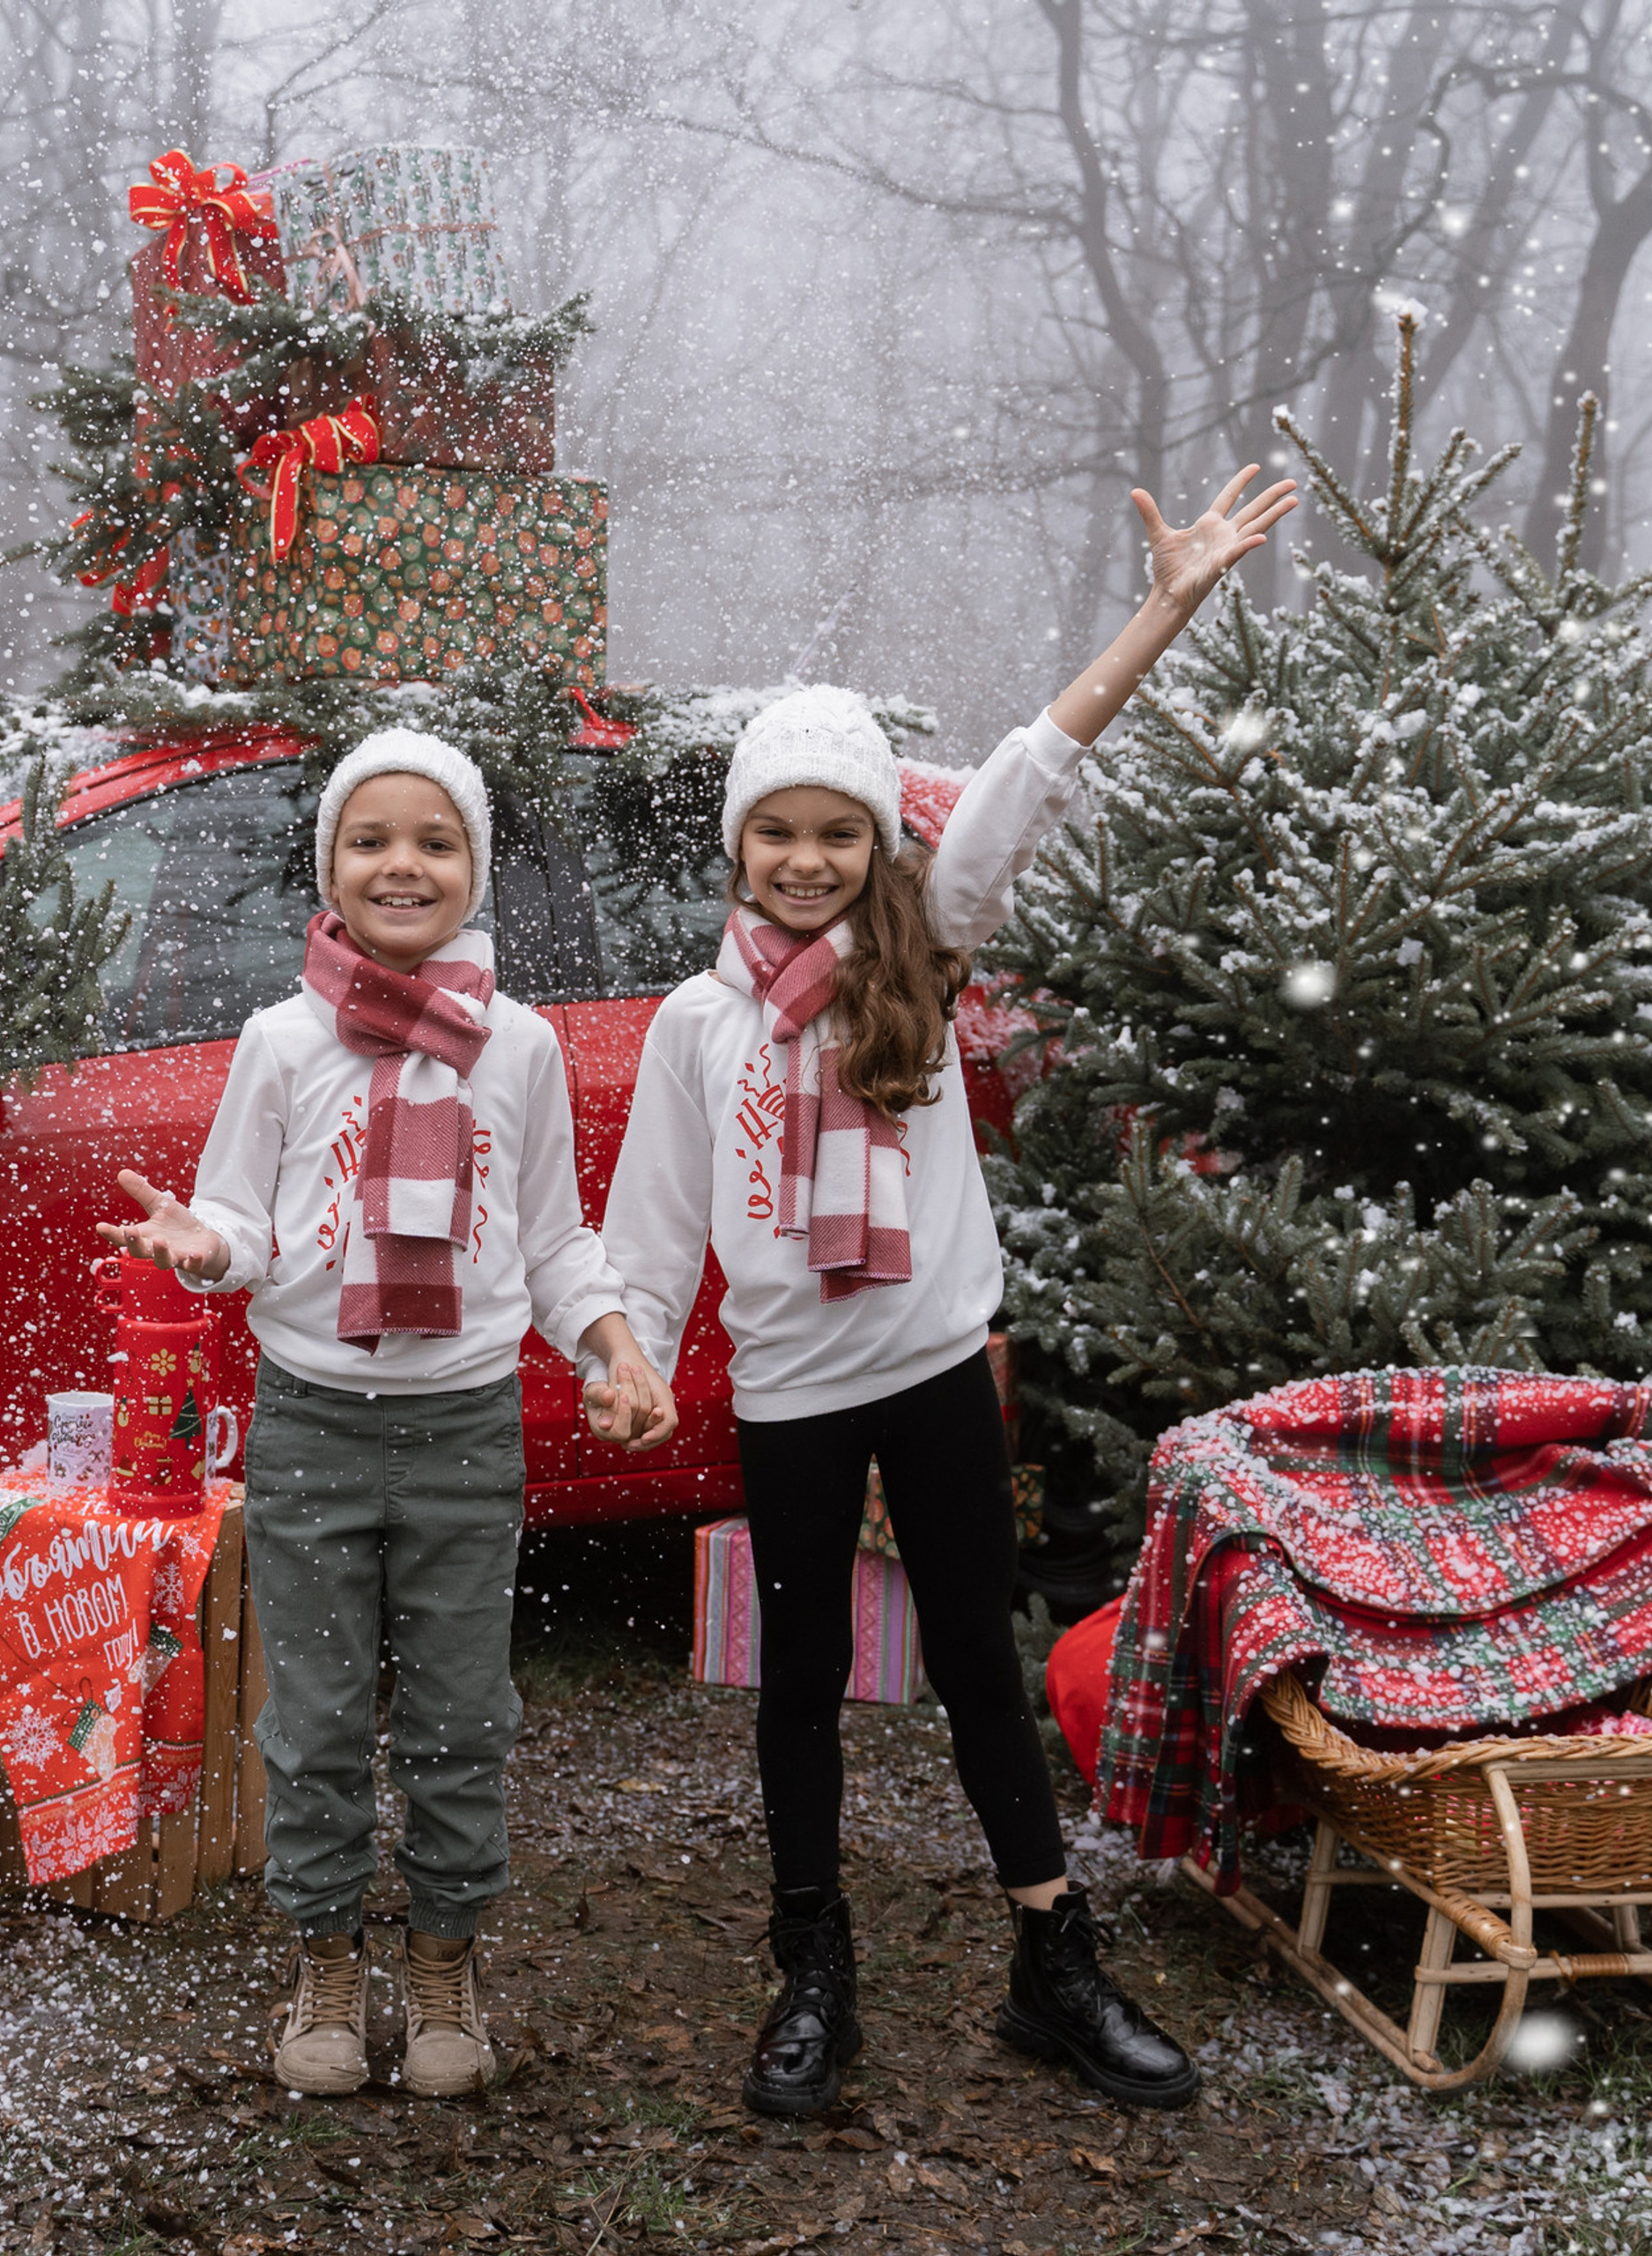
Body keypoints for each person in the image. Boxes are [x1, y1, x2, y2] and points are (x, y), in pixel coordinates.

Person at [595, 465, 1297, 2114]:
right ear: (738, 846)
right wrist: (619, 1351)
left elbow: (1036, 765)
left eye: (839, 832)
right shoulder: (701, 1030)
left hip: (931, 1372)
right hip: (790, 1398)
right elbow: (649, 1232)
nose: (808, 859)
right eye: (778, 832)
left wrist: (1173, 598)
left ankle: (1050, 1961)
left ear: (876, 847)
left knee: (980, 1659)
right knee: (804, 1679)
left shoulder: (931, 949)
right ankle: (813, 1968)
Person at [98, 729, 678, 2101]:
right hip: (311, 1423)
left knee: (462, 1718)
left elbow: (554, 1245)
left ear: (473, 868)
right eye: (371, 840)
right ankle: (322, 1955)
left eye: (434, 841)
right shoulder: (281, 1042)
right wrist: (205, 1243)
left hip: (469, 1432)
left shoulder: (520, 1049)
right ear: (331, 867)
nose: (401, 864)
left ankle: (442, 1961)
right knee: (312, 1715)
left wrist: (614, 1346)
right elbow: (241, 1217)